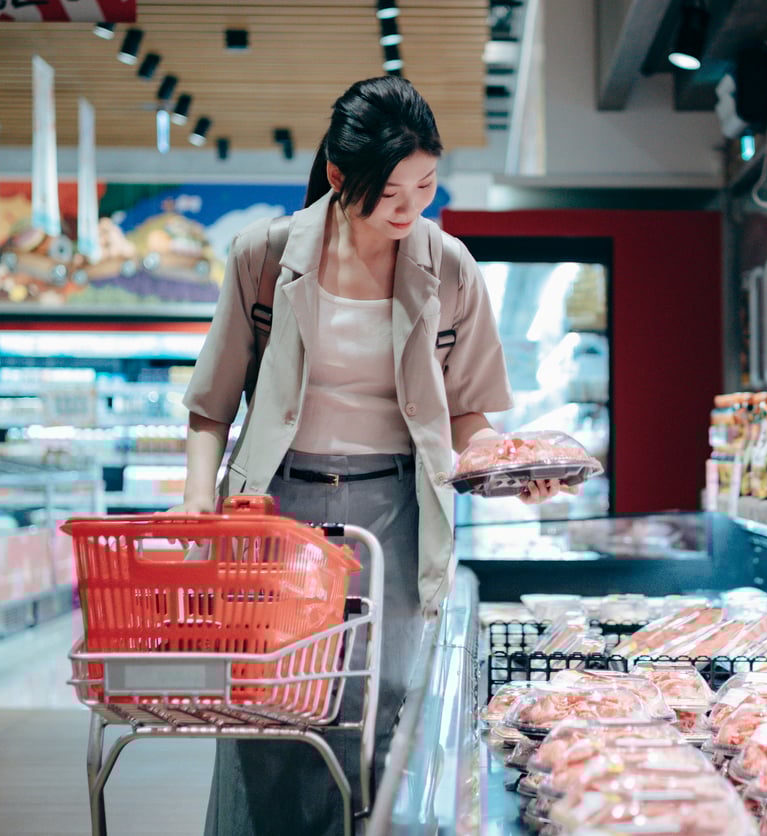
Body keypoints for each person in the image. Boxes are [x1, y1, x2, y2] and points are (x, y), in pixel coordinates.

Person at [175, 75, 564, 835]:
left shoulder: (449, 267)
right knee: (271, 703)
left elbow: (469, 415)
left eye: (426, 185)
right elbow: (210, 407)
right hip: (276, 514)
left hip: (396, 509)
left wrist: (507, 465)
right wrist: (198, 502)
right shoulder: (263, 257)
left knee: (381, 708)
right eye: (391, 193)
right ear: (336, 177)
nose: (411, 208)